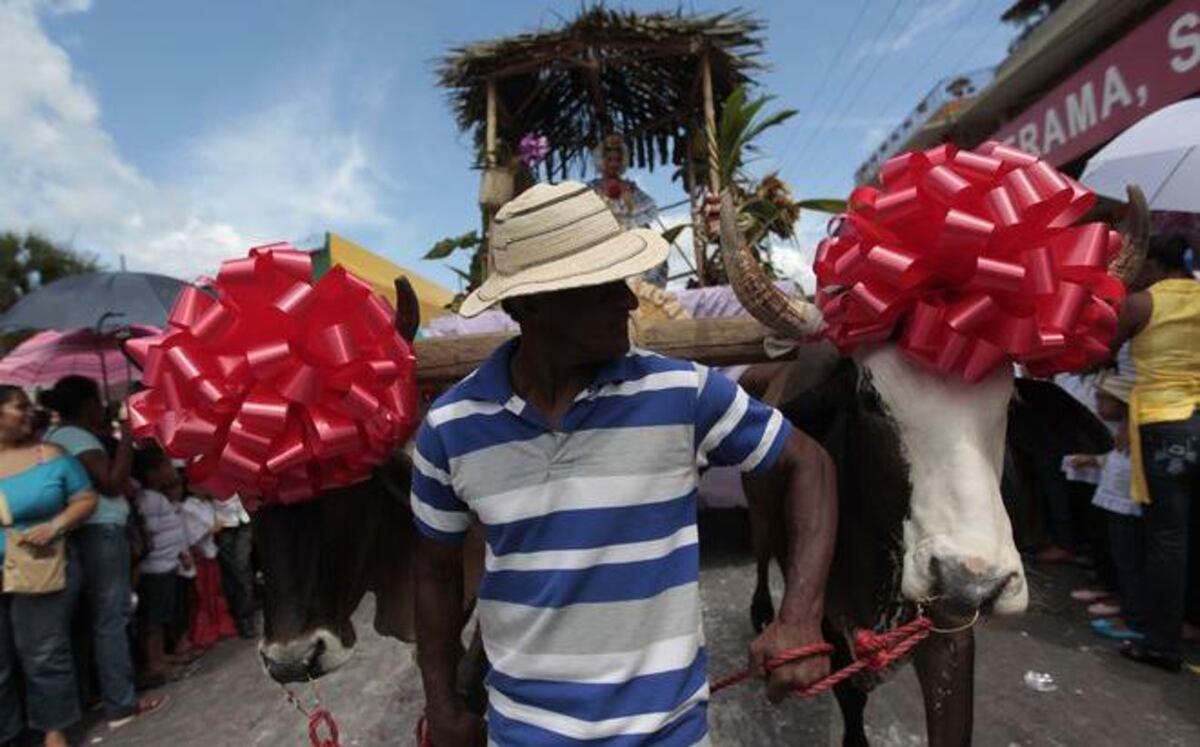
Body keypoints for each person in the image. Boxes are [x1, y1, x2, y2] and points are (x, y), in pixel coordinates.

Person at [413, 182, 837, 746]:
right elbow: (437, 574)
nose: (631, 302)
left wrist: (801, 615)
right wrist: (441, 705)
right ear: (532, 304)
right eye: (604, 285)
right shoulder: (450, 427)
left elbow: (810, 463)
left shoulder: (683, 393)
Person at [40, 377, 165, 728]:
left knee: (96, 618)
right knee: (111, 616)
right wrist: (125, 435)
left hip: (90, 533)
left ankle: (101, 695)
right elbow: (110, 482)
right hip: (101, 531)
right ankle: (120, 702)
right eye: (97, 401)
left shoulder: (58, 437)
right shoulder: (75, 437)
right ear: (87, 405)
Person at [1108, 233, 1199, 672]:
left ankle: (1161, 643)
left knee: (1167, 536)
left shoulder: (1141, 304)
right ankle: (1190, 622)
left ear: (1154, 265)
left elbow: (1102, 350)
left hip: (1164, 421)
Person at [0, 385, 97, 747]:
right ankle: (11, 735)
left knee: (43, 653)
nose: (30, 411)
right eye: (19, 406)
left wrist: (56, 525)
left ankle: (55, 731)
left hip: (43, 568)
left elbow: (85, 498)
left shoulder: (51, 455)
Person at [1087, 371, 1146, 641]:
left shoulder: (1134, 433)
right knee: (1121, 556)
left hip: (1127, 501)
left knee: (1130, 559)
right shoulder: (1120, 430)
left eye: (1104, 398)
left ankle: (1135, 616)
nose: (1098, 403)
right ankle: (1124, 602)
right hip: (1115, 497)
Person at [132, 447, 189, 687]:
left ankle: (162, 655)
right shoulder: (150, 500)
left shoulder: (159, 497)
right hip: (155, 567)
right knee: (153, 618)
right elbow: (150, 532)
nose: (171, 470)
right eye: (165, 465)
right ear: (152, 473)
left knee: (163, 612)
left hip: (167, 563)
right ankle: (154, 661)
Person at [587, 133, 667, 286]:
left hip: (630, 236)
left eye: (617, 159)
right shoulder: (593, 188)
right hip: (603, 238)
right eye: (609, 159)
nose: (613, 164)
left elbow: (643, 215)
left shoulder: (630, 187)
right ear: (601, 161)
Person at [180, 489, 236, 650]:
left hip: (211, 551)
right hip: (200, 555)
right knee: (203, 595)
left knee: (216, 591)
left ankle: (220, 626)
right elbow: (192, 534)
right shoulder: (188, 507)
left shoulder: (208, 504)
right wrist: (211, 530)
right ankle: (204, 632)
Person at [212, 494, 255, 640]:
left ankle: (246, 618)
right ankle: (241, 617)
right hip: (223, 525)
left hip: (242, 519)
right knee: (233, 573)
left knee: (242, 568)